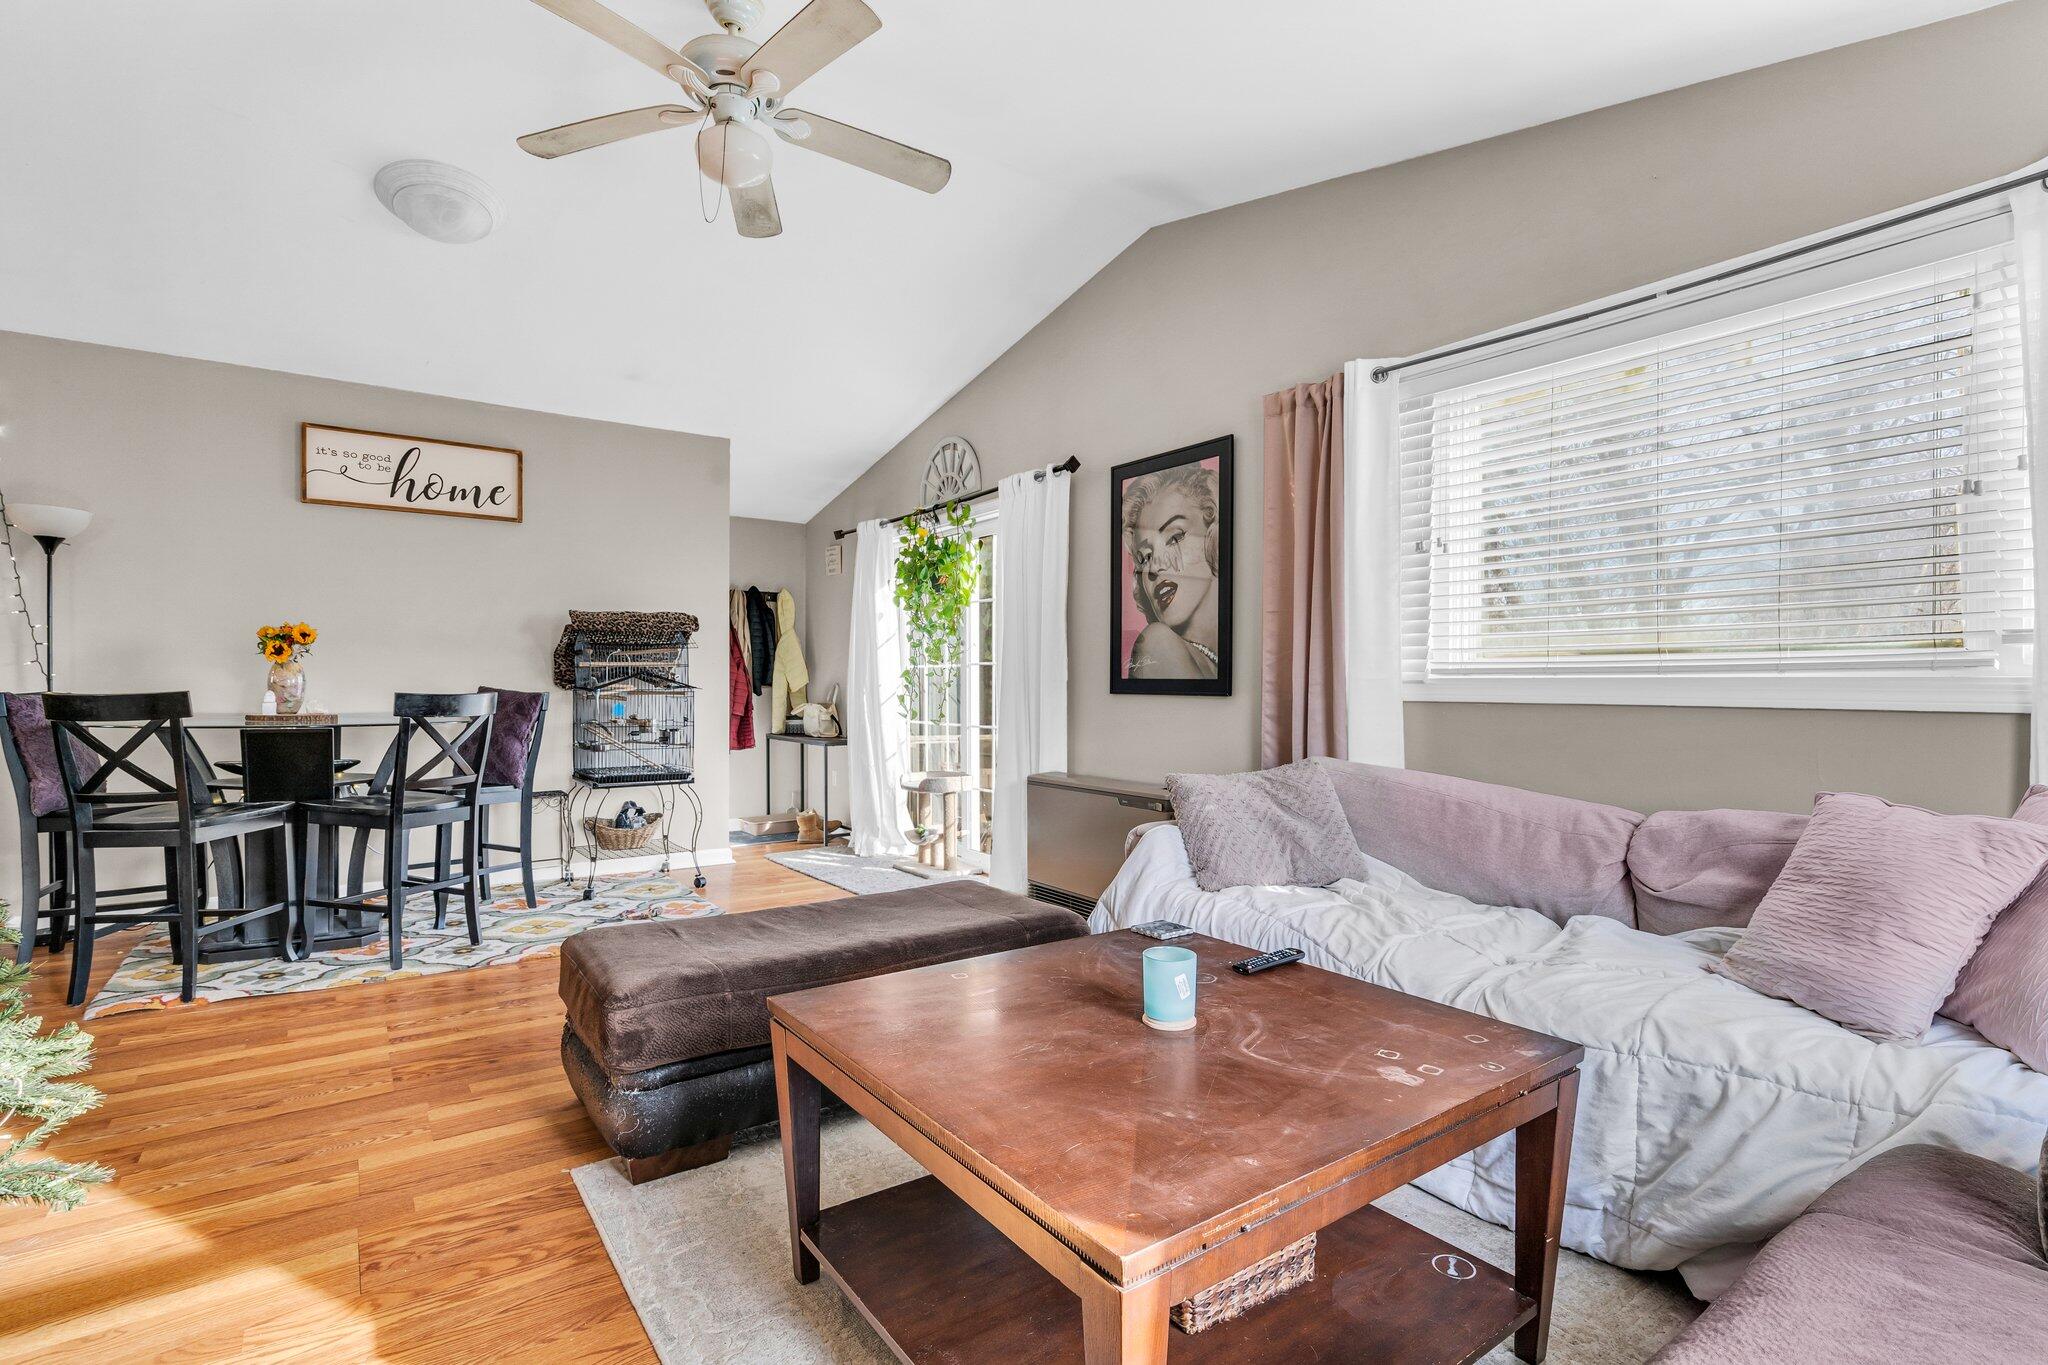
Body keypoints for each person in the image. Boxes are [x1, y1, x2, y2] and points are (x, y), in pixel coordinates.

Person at [1121, 462, 1222, 679]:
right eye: (1145, 557)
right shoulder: (1157, 644)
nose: (1155, 567)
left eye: (1175, 537)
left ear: (1212, 533)